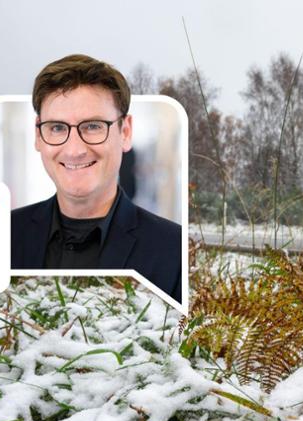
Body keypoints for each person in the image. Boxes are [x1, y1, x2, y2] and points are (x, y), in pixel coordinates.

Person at [10, 54, 183, 303]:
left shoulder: (172, 251)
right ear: (38, 136)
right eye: (57, 128)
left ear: (125, 132)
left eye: (92, 127)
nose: (74, 150)